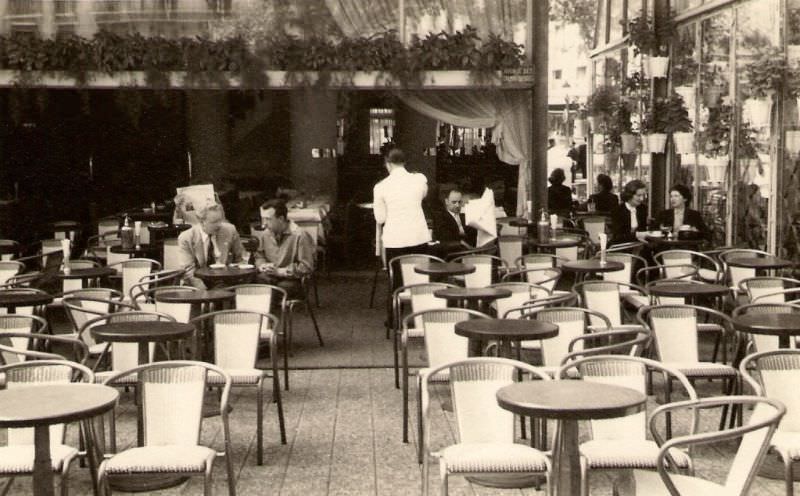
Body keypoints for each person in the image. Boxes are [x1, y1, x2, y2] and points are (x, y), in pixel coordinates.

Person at [373, 148, 431, 261]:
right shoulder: (419, 180)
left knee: (398, 276)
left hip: (395, 239)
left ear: (387, 163)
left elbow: (380, 219)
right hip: (418, 236)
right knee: (420, 275)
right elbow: (423, 195)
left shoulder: (380, 187)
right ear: (404, 162)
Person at [254, 199, 315, 298]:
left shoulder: (299, 235)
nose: (263, 224)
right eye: (263, 219)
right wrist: (262, 265)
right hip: (270, 277)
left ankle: (268, 310)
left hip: (292, 280)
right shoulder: (266, 233)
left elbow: (306, 267)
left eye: (268, 219)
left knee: (280, 288)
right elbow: (259, 255)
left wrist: (281, 272)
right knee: (257, 281)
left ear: (281, 219)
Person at [178, 202, 244, 288]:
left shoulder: (230, 230)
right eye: (214, 222)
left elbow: (241, 259)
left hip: (225, 281)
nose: (219, 225)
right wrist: (205, 292)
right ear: (201, 222)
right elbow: (188, 271)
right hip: (197, 282)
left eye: (220, 220)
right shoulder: (186, 237)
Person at [432, 188, 477, 253]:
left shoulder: (465, 215)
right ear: (446, 201)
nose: (457, 205)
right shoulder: (440, 217)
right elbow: (446, 238)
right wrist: (462, 243)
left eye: (459, 202)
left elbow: (473, 234)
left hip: (471, 250)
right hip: (453, 252)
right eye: (454, 202)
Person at [609, 179, 648, 244]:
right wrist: (636, 235)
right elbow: (618, 237)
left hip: (639, 246)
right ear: (629, 195)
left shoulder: (642, 209)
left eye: (643, 195)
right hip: (620, 248)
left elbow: (643, 230)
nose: (642, 199)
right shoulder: (617, 211)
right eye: (639, 195)